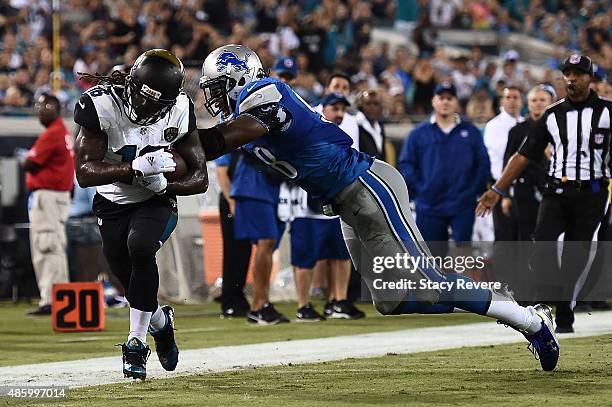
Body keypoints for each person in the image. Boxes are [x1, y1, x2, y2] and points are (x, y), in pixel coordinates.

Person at [198, 44, 560, 371]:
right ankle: (497, 300)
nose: (213, 96)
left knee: (430, 283)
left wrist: (195, 144)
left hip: (369, 186)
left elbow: (229, 137)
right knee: (391, 300)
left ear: (238, 75)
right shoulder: (242, 117)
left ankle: (529, 321)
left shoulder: (263, 91)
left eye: (216, 85)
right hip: (346, 204)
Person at [73, 49, 208, 380]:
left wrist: (164, 186)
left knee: (141, 248)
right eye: (144, 100)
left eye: (156, 104)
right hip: (112, 201)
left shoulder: (179, 109)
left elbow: (200, 178)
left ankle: (135, 344)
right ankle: (161, 323)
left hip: (155, 200)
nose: (148, 110)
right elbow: (85, 173)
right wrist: (130, 168)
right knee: (127, 278)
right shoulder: (101, 105)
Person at [477, 54, 612, 334]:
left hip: (593, 193)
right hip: (557, 191)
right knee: (541, 247)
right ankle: (543, 303)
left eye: (578, 73)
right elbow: (524, 154)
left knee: (577, 255)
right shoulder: (553, 114)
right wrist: (498, 189)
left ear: (590, 78)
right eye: (568, 74)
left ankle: (565, 308)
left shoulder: (608, 112)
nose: (572, 78)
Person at [285, 93, 361, 321]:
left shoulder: (343, 133)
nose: (339, 114)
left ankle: (338, 300)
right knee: (305, 259)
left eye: (342, 110)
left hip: (336, 206)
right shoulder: (307, 128)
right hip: (306, 207)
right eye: (334, 109)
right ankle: (303, 304)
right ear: (322, 109)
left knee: (341, 256)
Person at [399, 82, 490, 257]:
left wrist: (472, 190)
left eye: (450, 98)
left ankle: (460, 285)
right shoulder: (419, 133)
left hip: (462, 204)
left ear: (456, 102)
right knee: (431, 258)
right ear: (434, 101)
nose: (445, 102)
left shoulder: (470, 132)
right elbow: (406, 164)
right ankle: (435, 286)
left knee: (463, 254)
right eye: (441, 98)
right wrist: (421, 189)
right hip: (429, 205)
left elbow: (483, 163)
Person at [23, 93, 74, 316]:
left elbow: (29, 163)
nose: (38, 109)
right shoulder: (62, 131)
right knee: (54, 245)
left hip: (48, 197)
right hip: (58, 196)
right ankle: (60, 297)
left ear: (53, 107)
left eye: (41, 105)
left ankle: (51, 300)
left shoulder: (53, 133)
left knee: (46, 245)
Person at [483, 86, 524, 241]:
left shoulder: (526, 124)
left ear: (521, 101)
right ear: (501, 101)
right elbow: (499, 157)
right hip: (500, 185)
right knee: (504, 235)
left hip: (523, 186)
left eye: (516, 97)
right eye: (508, 97)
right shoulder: (493, 126)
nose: (512, 101)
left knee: (523, 234)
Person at [215, 152, 252, 318]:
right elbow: (222, 171)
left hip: (247, 198)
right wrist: (232, 202)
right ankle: (229, 300)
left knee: (244, 250)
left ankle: (238, 295)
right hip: (233, 199)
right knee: (233, 250)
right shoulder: (228, 132)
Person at [355, 89, 386, 161]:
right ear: (361, 106)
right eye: (368, 104)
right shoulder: (355, 125)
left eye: (376, 104)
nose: (372, 108)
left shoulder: (380, 127)